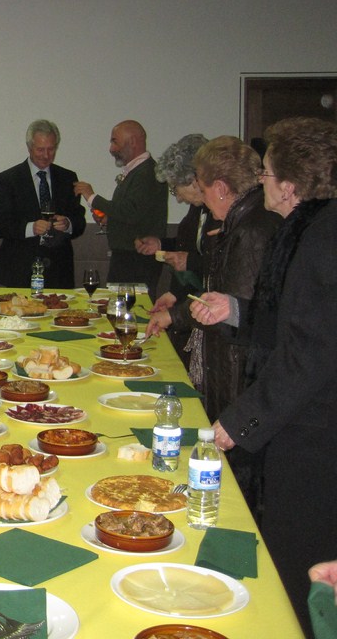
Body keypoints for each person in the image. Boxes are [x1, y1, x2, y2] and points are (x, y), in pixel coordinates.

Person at [191, 117, 337, 634]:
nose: (261, 181)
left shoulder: (323, 239)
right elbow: (285, 320)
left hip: (314, 430)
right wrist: (232, 308)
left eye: (267, 173)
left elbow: (309, 352)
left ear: (291, 185)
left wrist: (242, 420)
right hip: (297, 416)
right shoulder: (304, 230)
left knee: (302, 564)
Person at [148, 136, 279, 516]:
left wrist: (176, 316)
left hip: (239, 370)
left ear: (221, 188)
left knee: (236, 482)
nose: (202, 200)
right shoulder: (240, 222)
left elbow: (229, 312)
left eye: (203, 190)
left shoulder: (250, 229)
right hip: (232, 366)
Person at [136, 134, 217, 363]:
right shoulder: (197, 208)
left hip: (209, 313)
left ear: (194, 179)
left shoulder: (220, 213)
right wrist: (161, 245)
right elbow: (188, 246)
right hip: (191, 305)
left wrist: (189, 262)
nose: (178, 198)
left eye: (175, 188)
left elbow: (213, 261)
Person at [74, 119, 168, 295]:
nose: (111, 149)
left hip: (137, 258)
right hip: (129, 256)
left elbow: (130, 212)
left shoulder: (147, 172)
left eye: (114, 141)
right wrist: (110, 220)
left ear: (132, 141)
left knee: (131, 307)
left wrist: (92, 197)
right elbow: (135, 213)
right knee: (118, 305)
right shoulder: (138, 171)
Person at [0, 119, 86, 288]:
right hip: (18, 271)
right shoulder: (10, 178)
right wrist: (31, 228)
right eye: (40, 149)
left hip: (58, 272)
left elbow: (79, 220)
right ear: (29, 147)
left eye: (51, 149)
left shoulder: (68, 177)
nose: (46, 155)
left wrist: (68, 224)